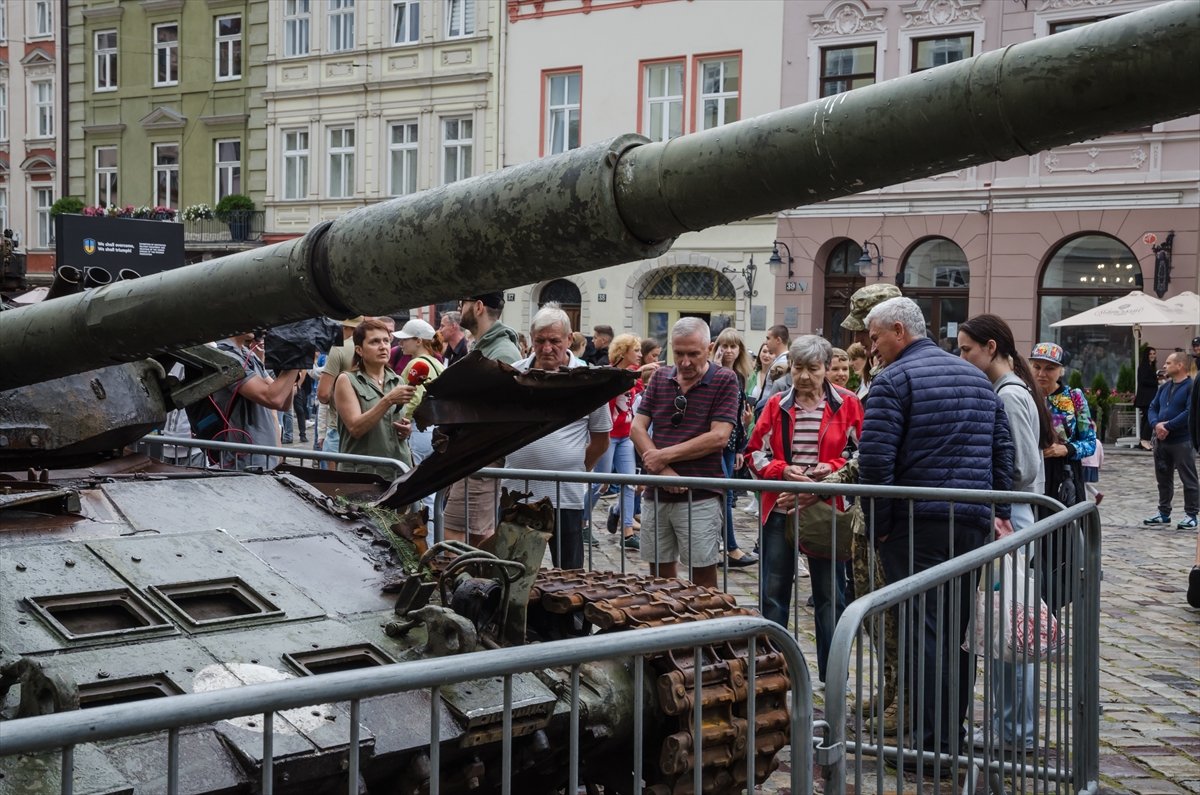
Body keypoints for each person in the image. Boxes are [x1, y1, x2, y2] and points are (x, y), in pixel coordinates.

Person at [858, 296, 1014, 768]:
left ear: (899, 332)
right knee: (956, 631)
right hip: (968, 521)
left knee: (926, 633)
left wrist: (879, 528)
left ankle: (931, 745)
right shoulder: (977, 378)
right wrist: (996, 510)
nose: (872, 346)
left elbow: (876, 463)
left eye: (876, 336)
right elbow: (1001, 453)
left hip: (917, 524)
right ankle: (949, 735)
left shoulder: (894, 380)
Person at [958, 314, 1055, 751]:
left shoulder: (1011, 394)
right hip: (1009, 521)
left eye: (967, 349)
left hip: (1011, 524)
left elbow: (1024, 467)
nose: (963, 357)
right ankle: (1007, 724)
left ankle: (1016, 730)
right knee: (1002, 627)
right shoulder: (1008, 389)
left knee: (1011, 629)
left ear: (991, 347)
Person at [747, 335, 862, 685]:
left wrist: (828, 472)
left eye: (813, 369)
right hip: (780, 507)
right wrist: (782, 471)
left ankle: (833, 673)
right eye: (798, 368)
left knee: (831, 594)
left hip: (827, 509)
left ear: (827, 369)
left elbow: (860, 453)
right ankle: (773, 670)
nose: (805, 377)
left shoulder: (848, 404)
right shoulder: (776, 404)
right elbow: (754, 453)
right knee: (773, 591)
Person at [631, 317, 740, 589]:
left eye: (694, 353)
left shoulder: (725, 379)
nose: (685, 361)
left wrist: (663, 457)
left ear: (709, 348)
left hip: (700, 494)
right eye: (679, 353)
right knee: (659, 576)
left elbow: (719, 436)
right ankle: (668, 627)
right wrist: (662, 470)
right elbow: (637, 428)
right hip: (657, 492)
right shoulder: (660, 377)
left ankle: (703, 630)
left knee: (703, 578)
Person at [503, 304, 611, 569]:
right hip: (517, 495)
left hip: (565, 496)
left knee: (569, 572)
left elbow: (601, 440)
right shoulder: (513, 375)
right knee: (513, 572)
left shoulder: (589, 380)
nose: (547, 348)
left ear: (569, 339)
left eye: (554, 341)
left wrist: (572, 469)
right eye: (540, 341)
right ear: (531, 340)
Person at [446, 292, 522, 544]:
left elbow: (503, 413)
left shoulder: (502, 352)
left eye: (463, 302)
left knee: (458, 538)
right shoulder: (484, 346)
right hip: (471, 458)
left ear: (478, 307)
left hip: (480, 460)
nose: (459, 307)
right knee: (472, 538)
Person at [332, 318, 415, 479]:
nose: (383, 346)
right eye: (375, 342)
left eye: (386, 340)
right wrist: (388, 400)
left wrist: (406, 430)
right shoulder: (347, 380)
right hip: (363, 474)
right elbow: (356, 428)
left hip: (398, 471)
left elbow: (394, 422)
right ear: (359, 350)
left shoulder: (397, 380)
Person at [211, 332, 306, 471]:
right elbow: (273, 398)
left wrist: (290, 360)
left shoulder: (249, 354)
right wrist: (297, 357)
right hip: (244, 460)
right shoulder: (224, 357)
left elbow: (284, 403)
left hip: (264, 455)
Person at [1029, 342, 1096, 512]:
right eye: (1036, 367)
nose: (1041, 374)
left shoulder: (1074, 397)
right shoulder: (1023, 395)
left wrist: (1066, 449)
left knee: (1064, 532)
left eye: (1049, 368)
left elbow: (1090, 443)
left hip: (1064, 474)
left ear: (1061, 370)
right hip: (1032, 473)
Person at [713, 328, 758, 567]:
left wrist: (741, 447)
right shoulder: (711, 374)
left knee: (725, 495)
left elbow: (738, 415)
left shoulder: (740, 377)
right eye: (724, 345)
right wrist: (718, 369)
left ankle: (726, 547)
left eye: (733, 346)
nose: (729, 350)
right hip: (714, 442)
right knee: (722, 493)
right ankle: (730, 548)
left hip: (731, 442)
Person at [597, 333, 646, 549]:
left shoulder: (636, 374)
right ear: (623, 352)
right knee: (600, 484)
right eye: (636, 350)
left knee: (629, 482)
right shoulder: (611, 374)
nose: (640, 354)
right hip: (607, 435)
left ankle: (627, 531)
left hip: (625, 436)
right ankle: (582, 522)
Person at [395, 318, 446, 512]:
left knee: (421, 494)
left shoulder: (416, 363)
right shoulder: (437, 363)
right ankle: (432, 537)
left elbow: (413, 399)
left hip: (419, 430)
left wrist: (401, 419)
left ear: (418, 340)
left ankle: (425, 538)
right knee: (431, 493)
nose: (400, 343)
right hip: (435, 430)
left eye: (405, 339)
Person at [1144, 350, 1197, 530]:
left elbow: (1190, 412)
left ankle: (1191, 514)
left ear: (1180, 365)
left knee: (1188, 478)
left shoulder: (1191, 387)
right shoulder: (1165, 387)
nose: (1164, 366)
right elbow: (1152, 407)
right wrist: (1156, 424)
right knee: (1163, 478)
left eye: (1168, 363)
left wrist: (1168, 426)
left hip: (1182, 440)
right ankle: (1163, 513)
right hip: (1162, 441)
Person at [317, 316, 364, 467]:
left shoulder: (339, 349)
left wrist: (332, 398)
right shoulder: (371, 349)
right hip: (366, 424)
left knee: (335, 485)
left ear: (344, 327)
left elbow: (323, 394)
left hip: (339, 426)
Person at [757, 325, 791, 409]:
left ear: (778, 340)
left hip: (770, 410)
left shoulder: (783, 363)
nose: (766, 342)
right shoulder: (781, 360)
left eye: (768, 338)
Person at [1135, 347, 1159, 450]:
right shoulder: (1144, 366)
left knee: (1146, 419)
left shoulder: (1149, 366)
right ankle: (1145, 440)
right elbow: (1144, 381)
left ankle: (1142, 441)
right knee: (1150, 418)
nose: (1153, 355)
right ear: (1147, 355)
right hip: (1146, 398)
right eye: (1150, 354)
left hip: (1147, 397)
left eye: (1154, 353)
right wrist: (1157, 382)